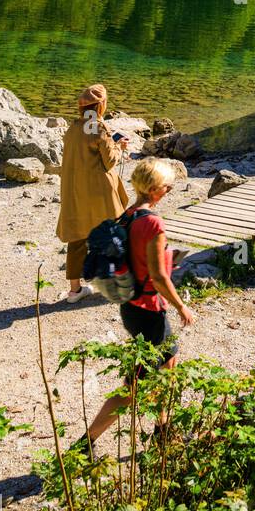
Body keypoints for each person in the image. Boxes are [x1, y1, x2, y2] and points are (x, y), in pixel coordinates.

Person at [82, 157, 194, 450]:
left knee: (169, 364)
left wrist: (167, 259)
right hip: (148, 311)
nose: (170, 189)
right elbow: (157, 277)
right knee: (134, 388)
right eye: (167, 185)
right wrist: (181, 306)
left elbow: (138, 260)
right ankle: (87, 440)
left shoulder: (128, 215)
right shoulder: (154, 223)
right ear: (156, 189)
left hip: (130, 305)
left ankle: (163, 430)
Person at [57, 83, 129, 302]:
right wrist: (120, 147)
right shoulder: (98, 127)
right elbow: (109, 162)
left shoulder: (74, 128)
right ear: (101, 105)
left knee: (77, 239)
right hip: (100, 193)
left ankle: (75, 291)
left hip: (76, 191)